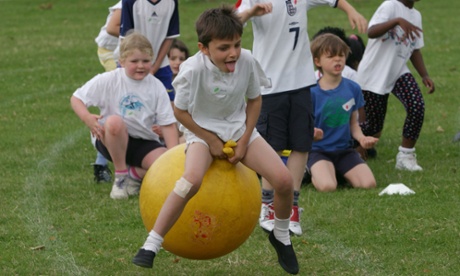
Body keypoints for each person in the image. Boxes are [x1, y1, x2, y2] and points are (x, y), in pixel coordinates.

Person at [132, 6, 300, 274]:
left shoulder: (246, 60)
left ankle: (281, 236)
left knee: (284, 180)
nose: (232, 53)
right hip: (201, 131)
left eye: (236, 44)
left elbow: (255, 100)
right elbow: (179, 111)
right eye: (223, 48)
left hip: (239, 131)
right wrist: (209, 139)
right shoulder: (192, 70)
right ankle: (152, 243)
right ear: (203, 48)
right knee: (191, 181)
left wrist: (244, 139)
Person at [236, 0, 368, 236]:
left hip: (301, 85)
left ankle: (292, 208)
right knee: (272, 148)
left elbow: (334, 1)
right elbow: (232, 24)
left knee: (301, 145)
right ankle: (267, 205)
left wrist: (351, 10)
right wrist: (250, 13)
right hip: (271, 86)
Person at [71, 32, 179, 200]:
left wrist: (173, 159)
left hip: (144, 142)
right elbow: (76, 98)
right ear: (121, 61)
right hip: (111, 139)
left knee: (164, 165)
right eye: (134, 61)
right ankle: (120, 179)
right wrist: (87, 118)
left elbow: (168, 125)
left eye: (145, 61)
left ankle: (133, 175)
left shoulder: (157, 86)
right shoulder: (109, 80)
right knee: (114, 122)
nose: (140, 66)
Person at [357, 0, 435, 171]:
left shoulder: (416, 15)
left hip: (398, 70)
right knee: (373, 126)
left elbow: (415, 49)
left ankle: (406, 155)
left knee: (417, 106)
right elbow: (371, 32)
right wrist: (396, 21)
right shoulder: (390, 6)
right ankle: (352, 150)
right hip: (374, 73)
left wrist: (424, 75)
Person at [308, 33, 378, 192]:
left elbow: (354, 123)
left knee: (368, 184)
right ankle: (311, 171)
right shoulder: (311, 92)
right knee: (328, 187)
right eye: (331, 56)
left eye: (341, 55)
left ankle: (337, 170)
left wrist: (362, 139)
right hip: (318, 151)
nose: (337, 60)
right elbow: (301, 125)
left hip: (344, 151)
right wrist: (310, 132)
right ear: (317, 61)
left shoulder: (353, 88)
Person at [120, 0, 180, 103]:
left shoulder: (172, 2)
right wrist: (136, 64)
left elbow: (169, 37)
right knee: (129, 105)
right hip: (133, 64)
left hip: (160, 65)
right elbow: (126, 39)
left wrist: (154, 67)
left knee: (169, 105)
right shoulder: (129, 2)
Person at [91, 1, 122, 183]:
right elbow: (112, 28)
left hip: (128, 51)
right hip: (111, 51)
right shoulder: (127, 3)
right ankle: (101, 162)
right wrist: (140, 35)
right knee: (118, 100)